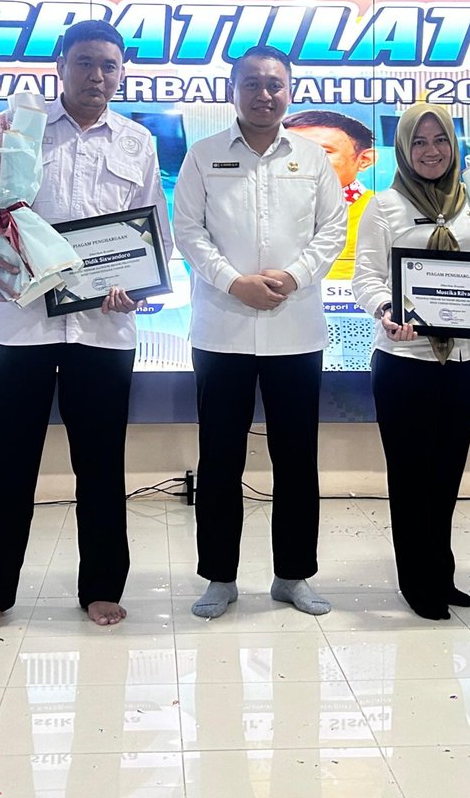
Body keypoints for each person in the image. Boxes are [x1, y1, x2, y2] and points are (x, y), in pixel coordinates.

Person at [0, 19, 171, 633]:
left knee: (101, 464)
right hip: (16, 325)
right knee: (4, 462)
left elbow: (152, 225)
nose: (97, 76)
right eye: (85, 63)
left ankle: (102, 586)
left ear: (121, 73)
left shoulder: (137, 142)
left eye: (109, 66)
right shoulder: (11, 131)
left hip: (101, 329)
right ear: (59, 66)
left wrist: (143, 285)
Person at [172, 46, 348, 619]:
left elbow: (333, 230)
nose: (264, 94)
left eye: (274, 84)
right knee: (219, 459)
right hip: (221, 331)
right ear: (233, 91)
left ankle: (293, 575)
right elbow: (187, 231)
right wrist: (233, 282)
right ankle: (219, 577)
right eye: (251, 83)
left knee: (296, 459)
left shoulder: (312, 158)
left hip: (295, 332)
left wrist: (293, 276)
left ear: (289, 91)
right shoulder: (203, 156)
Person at [351, 102, 470, 621]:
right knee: (409, 475)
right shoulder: (384, 206)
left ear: (454, 146)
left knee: (446, 472)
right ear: (403, 149)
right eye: (419, 141)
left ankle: (441, 573)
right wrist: (387, 309)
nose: (430, 151)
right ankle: (416, 582)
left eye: (440, 140)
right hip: (404, 360)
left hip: (467, 360)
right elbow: (365, 276)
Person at [284, 110, 377, 282]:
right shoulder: (255, 207)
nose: (301, 161)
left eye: (323, 151)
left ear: (364, 160)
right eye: (289, 150)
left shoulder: (382, 210)